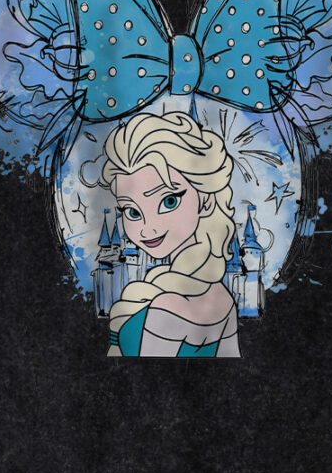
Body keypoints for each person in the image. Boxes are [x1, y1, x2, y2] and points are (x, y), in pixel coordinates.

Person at [102, 110, 241, 357]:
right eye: (132, 212)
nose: (147, 228)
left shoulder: (167, 307)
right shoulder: (224, 300)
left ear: (206, 201)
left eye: (169, 201)